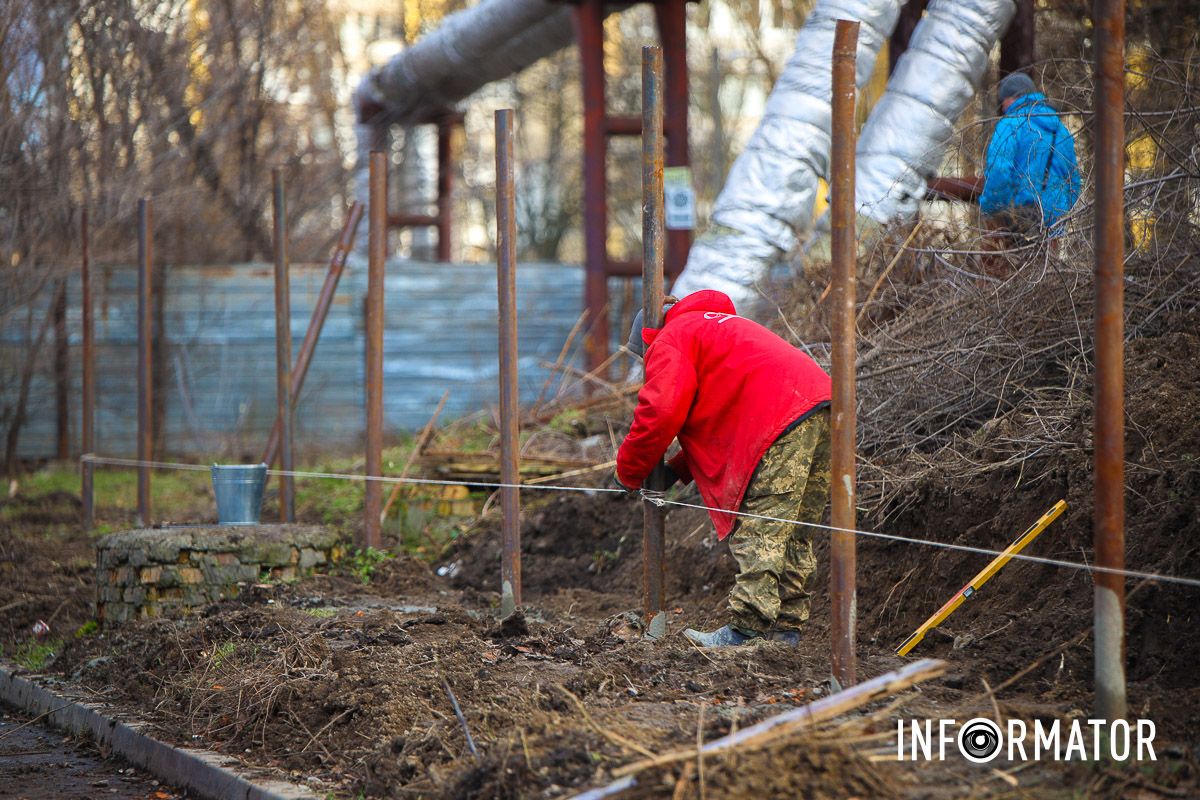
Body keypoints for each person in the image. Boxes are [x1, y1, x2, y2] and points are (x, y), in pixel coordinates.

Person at [616, 289, 831, 648]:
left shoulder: (673, 336)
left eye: (644, 357)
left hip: (780, 418)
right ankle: (784, 631)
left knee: (762, 524)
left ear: (647, 339)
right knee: (793, 530)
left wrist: (628, 471)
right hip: (820, 407)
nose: (647, 363)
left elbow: (661, 413)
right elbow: (726, 411)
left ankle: (745, 630)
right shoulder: (714, 328)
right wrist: (677, 469)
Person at [979, 72, 1081, 240]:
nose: (1003, 108)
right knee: (1048, 266)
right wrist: (1060, 210)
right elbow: (1074, 181)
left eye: (1003, 101)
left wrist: (990, 209)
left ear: (1012, 98)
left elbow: (999, 171)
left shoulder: (1010, 124)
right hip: (1054, 224)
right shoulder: (1060, 129)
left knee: (1012, 265)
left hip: (1018, 220)